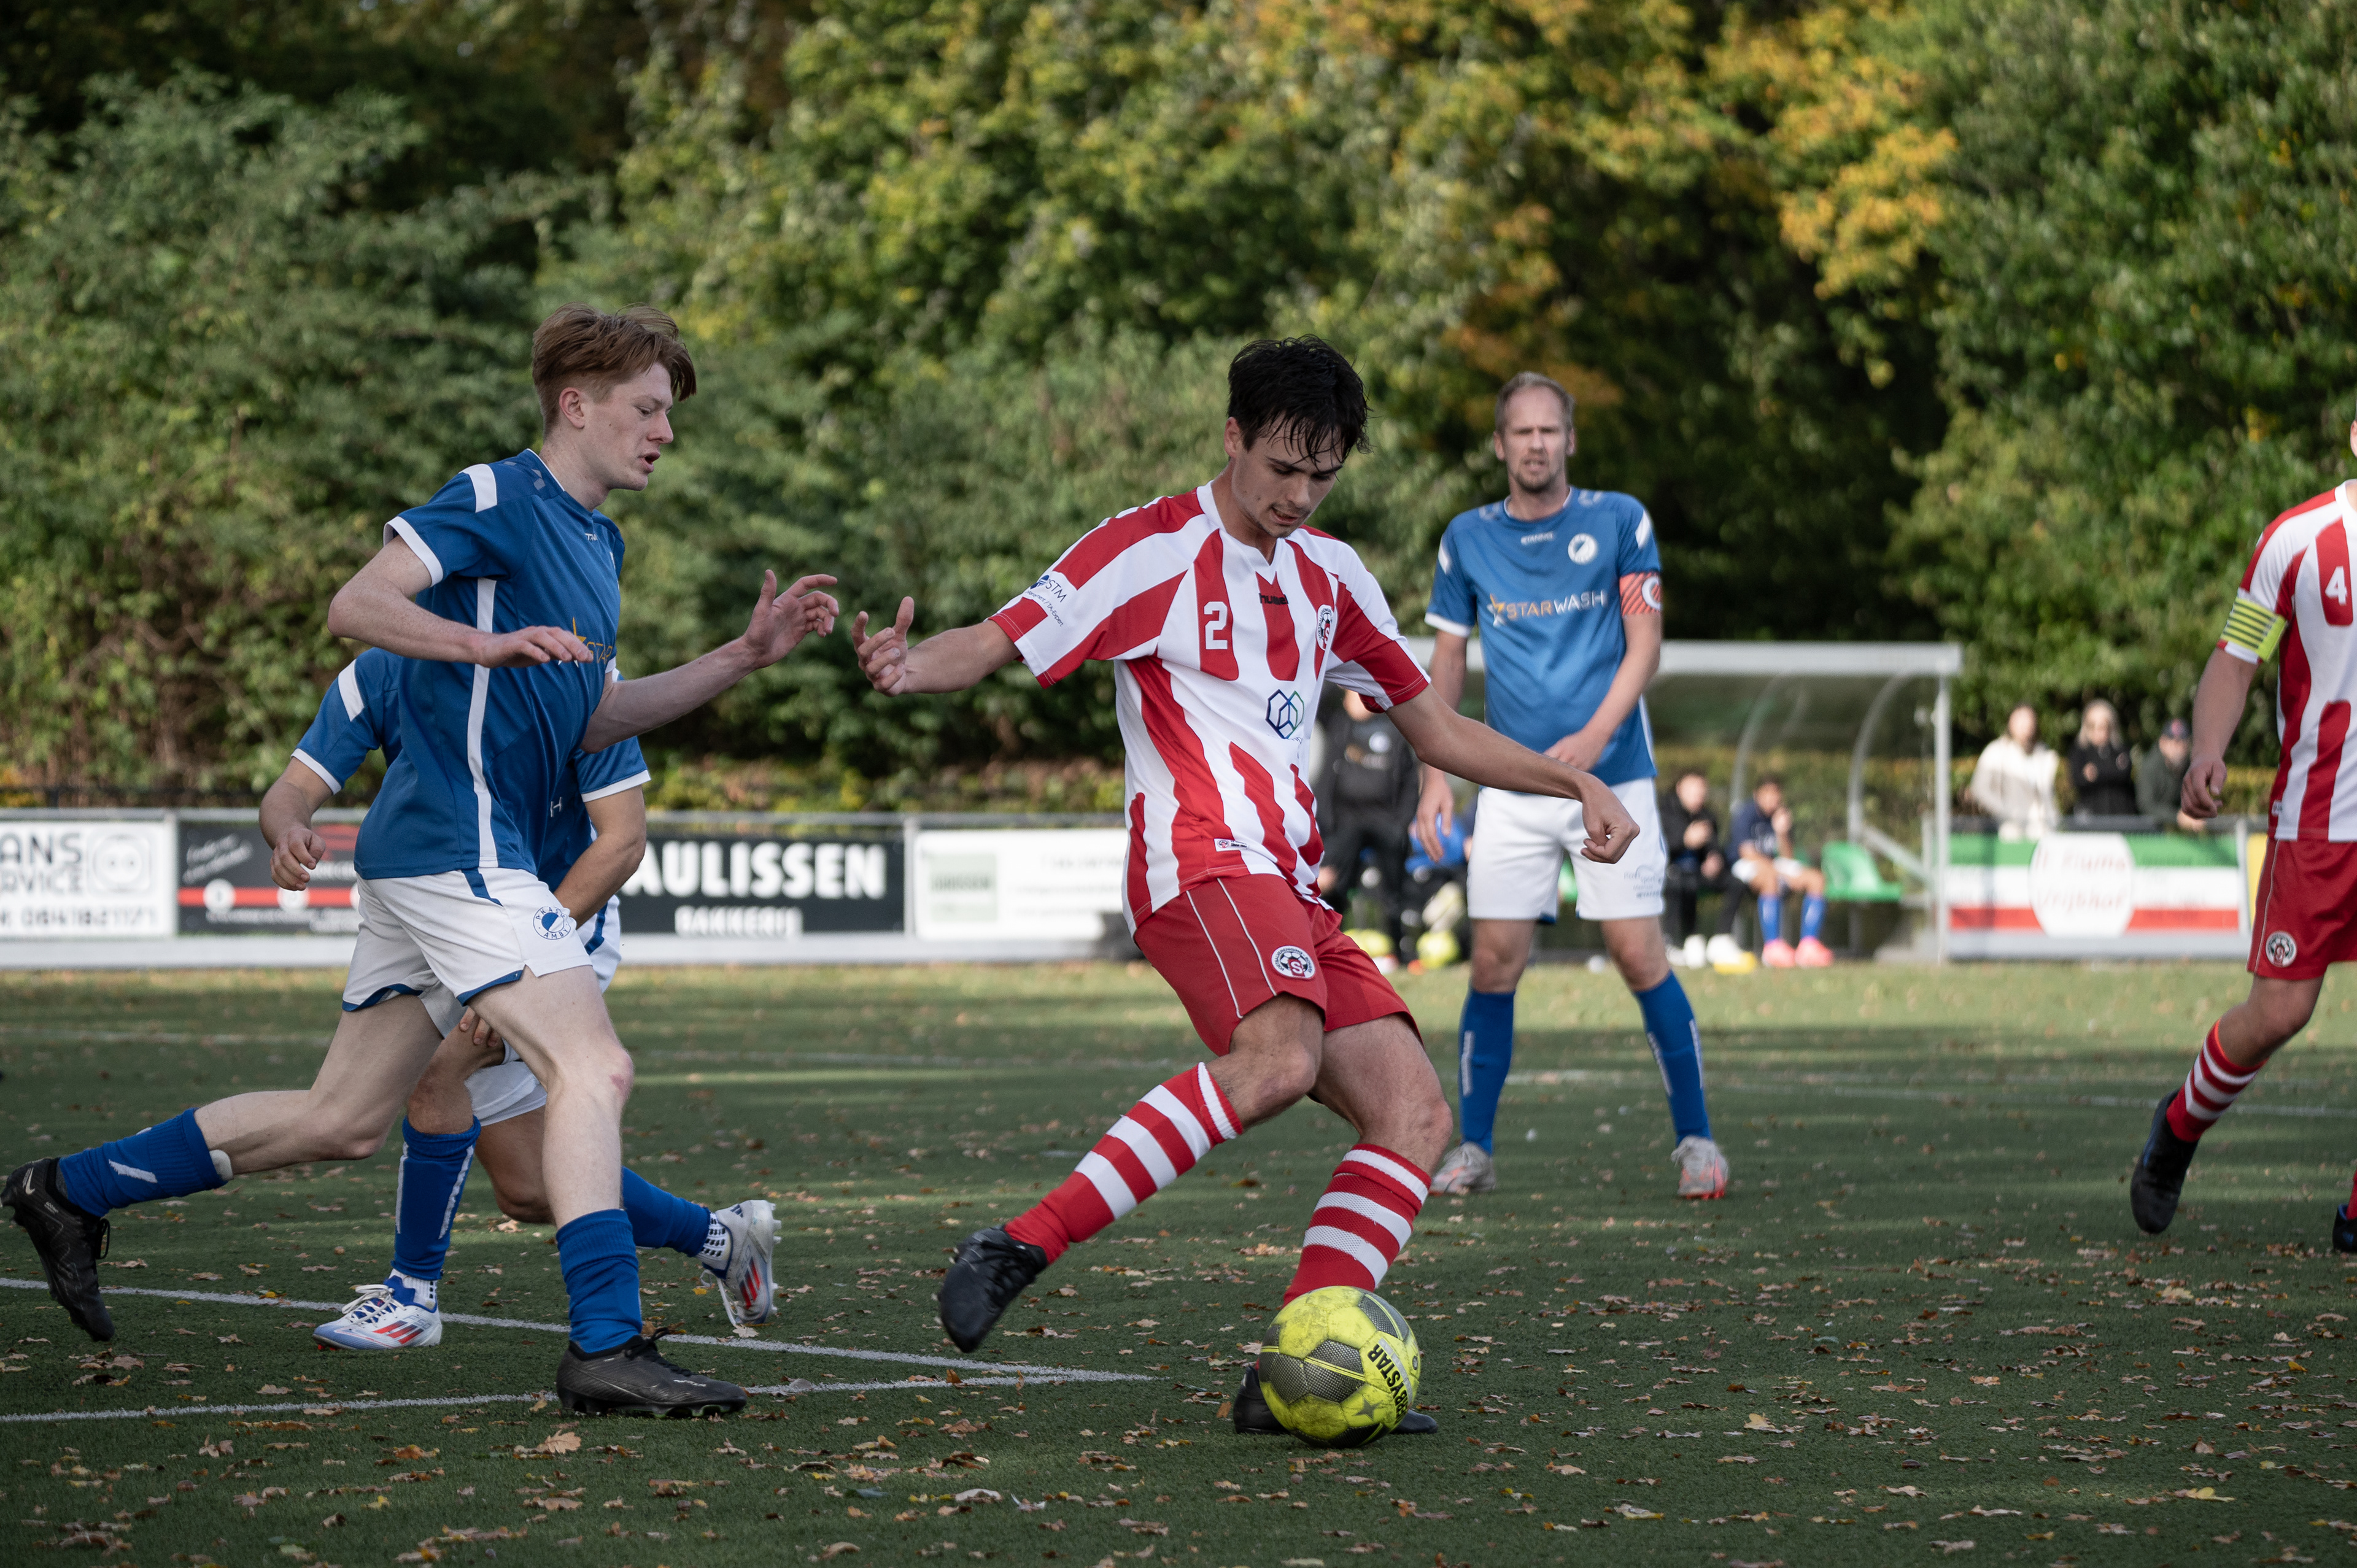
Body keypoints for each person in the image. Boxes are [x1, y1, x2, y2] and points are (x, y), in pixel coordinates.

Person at [4, 304, 839, 1419]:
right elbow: (357, 602)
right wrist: (481, 643)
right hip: (462, 847)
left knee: (341, 1116)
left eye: (668, 414)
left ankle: (68, 1189)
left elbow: (592, 720)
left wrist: (741, 656)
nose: (665, 433)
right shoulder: (498, 493)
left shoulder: (599, 544)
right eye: (647, 409)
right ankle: (606, 1344)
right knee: (594, 1069)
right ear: (576, 404)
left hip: (428, 859)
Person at [849, 338, 1638, 1438]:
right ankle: (1023, 1241)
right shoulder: (1149, 549)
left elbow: (1439, 729)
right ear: (1233, 437)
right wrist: (908, 665)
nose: (1300, 496)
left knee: (1413, 1115)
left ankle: (1290, 1376)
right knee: (1280, 1059)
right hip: (1197, 861)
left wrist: (1574, 779)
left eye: (1324, 475)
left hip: (1288, 883)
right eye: (1282, 468)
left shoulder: (1334, 575)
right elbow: (997, 639)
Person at [263, 649, 778, 1351]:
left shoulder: (580, 678)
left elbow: (622, 842)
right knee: (530, 1187)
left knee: (437, 1076)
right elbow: (293, 786)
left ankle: (411, 1295)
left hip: (559, 924)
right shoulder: (400, 669)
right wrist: (288, 826)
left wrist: (523, 955)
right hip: (468, 923)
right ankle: (723, 1237)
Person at [1414, 372, 1728, 1202]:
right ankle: (1475, 1149)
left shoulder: (1621, 519)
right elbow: (1445, 663)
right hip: (1510, 787)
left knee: (1637, 953)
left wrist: (1590, 743)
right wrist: (1435, 775)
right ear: (1499, 444)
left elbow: (1646, 644)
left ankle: (1698, 1140)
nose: (1536, 444)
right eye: (1521, 431)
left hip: (1612, 780)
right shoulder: (1465, 538)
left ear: (1571, 440)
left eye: (1549, 430)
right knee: (1493, 963)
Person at [2131, 415, 2357, 1252]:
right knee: (2280, 1009)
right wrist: (2208, 750)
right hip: (2321, 819)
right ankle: (2178, 1127)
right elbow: (2237, 656)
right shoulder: (2296, 540)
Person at [1317, 689, 1420, 953]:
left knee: (1395, 891)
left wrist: (1402, 824)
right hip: (1345, 821)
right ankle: (1329, 949)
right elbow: (1315, 687)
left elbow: (1410, 782)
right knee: (1334, 886)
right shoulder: (1338, 723)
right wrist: (1347, 686)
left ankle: (1401, 951)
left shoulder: (1394, 727)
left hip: (1386, 820)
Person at [1728, 776, 1831, 968]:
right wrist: (1779, 872)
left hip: (1774, 865)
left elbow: (1788, 857)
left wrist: (1782, 832)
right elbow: (1747, 853)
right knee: (1770, 879)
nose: (1772, 798)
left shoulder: (1781, 816)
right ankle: (1773, 948)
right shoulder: (1746, 814)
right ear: (1757, 795)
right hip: (1744, 865)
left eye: (1776, 794)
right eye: (1767, 793)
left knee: (1816, 879)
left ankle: (1808, 946)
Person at [1658, 769, 1743, 966]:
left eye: (1701, 790)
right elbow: (1660, 848)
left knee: (1736, 883)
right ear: (1680, 788)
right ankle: (1673, 942)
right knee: (1680, 884)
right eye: (1693, 789)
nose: (1698, 795)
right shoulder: (1664, 812)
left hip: (1698, 873)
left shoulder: (1707, 816)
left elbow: (1715, 848)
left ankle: (1721, 939)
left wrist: (1714, 859)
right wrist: (1684, 840)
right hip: (1669, 872)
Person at [1968, 704, 2059, 838]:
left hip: (2042, 830)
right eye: (2020, 719)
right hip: (2012, 831)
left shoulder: (2044, 754)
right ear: (2010, 722)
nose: (2025, 724)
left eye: (2029, 719)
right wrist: (2005, 811)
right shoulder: (1997, 751)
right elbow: (1979, 788)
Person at [2066, 700, 2136, 817]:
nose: (2100, 731)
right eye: (2094, 726)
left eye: (2104, 726)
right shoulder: (2080, 752)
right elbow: (2077, 779)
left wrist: (2097, 772)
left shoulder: (2120, 749)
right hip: (2091, 817)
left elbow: (2124, 773)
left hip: (2120, 816)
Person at [2137, 717, 2197, 828]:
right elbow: (2146, 805)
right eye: (2175, 741)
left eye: (2184, 741)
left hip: (2176, 832)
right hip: (2147, 831)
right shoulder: (2150, 766)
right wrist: (2177, 817)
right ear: (2162, 743)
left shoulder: (2190, 767)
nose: (2179, 747)